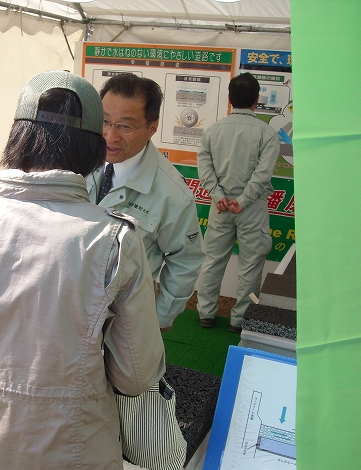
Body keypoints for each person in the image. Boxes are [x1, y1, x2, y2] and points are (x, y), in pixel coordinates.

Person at [0, 70, 166, 470]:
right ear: (92, 146)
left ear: (17, 135)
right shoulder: (114, 238)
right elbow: (135, 375)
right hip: (78, 458)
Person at [86, 73, 204, 332]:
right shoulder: (79, 161)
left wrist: (159, 320)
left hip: (123, 323)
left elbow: (186, 261)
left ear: (152, 128)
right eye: (105, 121)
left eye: (125, 126)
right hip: (69, 308)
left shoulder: (172, 194)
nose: (110, 136)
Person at [196, 72, 280, 332]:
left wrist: (219, 196)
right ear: (256, 100)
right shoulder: (267, 133)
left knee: (212, 261)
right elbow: (263, 174)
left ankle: (205, 313)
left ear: (230, 99)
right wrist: (243, 201)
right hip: (251, 208)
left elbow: (204, 168)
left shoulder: (213, 131)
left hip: (220, 207)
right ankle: (240, 320)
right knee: (251, 265)